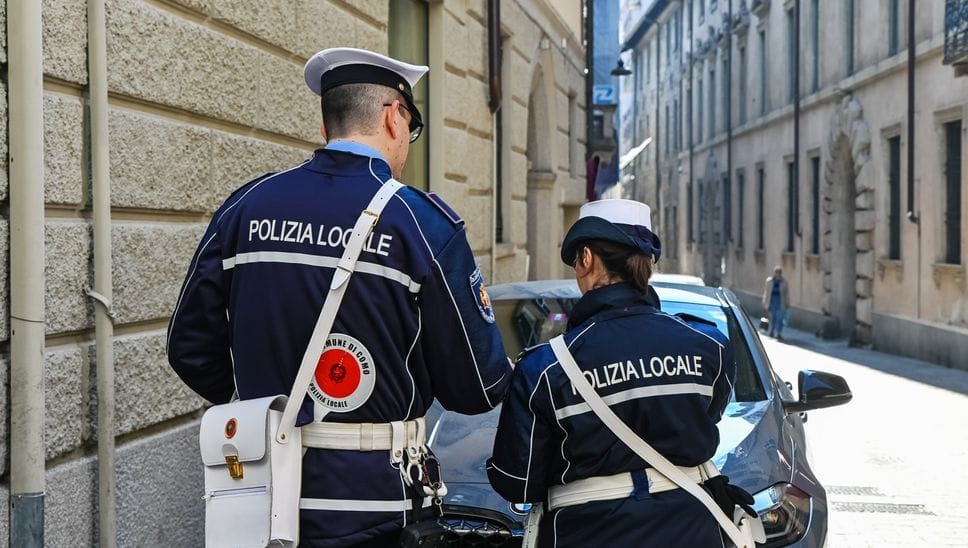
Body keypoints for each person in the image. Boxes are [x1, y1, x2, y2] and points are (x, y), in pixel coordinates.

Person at [167, 47, 512, 547]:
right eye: (410, 127)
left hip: (262, 497)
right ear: (393, 117)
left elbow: (189, 348)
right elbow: (477, 387)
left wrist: (268, 405)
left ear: (326, 127)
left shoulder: (245, 207)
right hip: (376, 501)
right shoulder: (420, 223)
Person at [486, 199, 739, 547]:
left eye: (577, 261)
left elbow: (517, 482)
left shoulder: (544, 368)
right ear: (647, 263)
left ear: (587, 259)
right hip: (694, 533)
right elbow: (706, 418)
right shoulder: (710, 345)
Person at [762, 266, 789, 339]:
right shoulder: (769, 281)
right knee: (772, 318)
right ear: (774, 273)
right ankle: (772, 330)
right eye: (776, 272)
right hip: (771, 302)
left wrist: (787, 304)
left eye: (779, 272)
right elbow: (766, 292)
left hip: (780, 302)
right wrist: (764, 302)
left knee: (779, 319)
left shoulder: (784, 282)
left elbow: (786, 294)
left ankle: (778, 333)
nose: (778, 274)